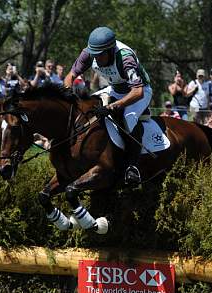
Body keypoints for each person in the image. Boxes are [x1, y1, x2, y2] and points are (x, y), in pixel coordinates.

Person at [64, 26, 152, 185]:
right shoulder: (89, 52)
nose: (96, 59)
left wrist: (113, 106)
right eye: (94, 55)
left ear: (110, 50)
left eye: (99, 56)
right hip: (115, 88)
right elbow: (70, 77)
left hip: (139, 91)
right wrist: (68, 94)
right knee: (87, 109)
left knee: (127, 118)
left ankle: (132, 166)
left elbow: (138, 92)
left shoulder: (125, 58)